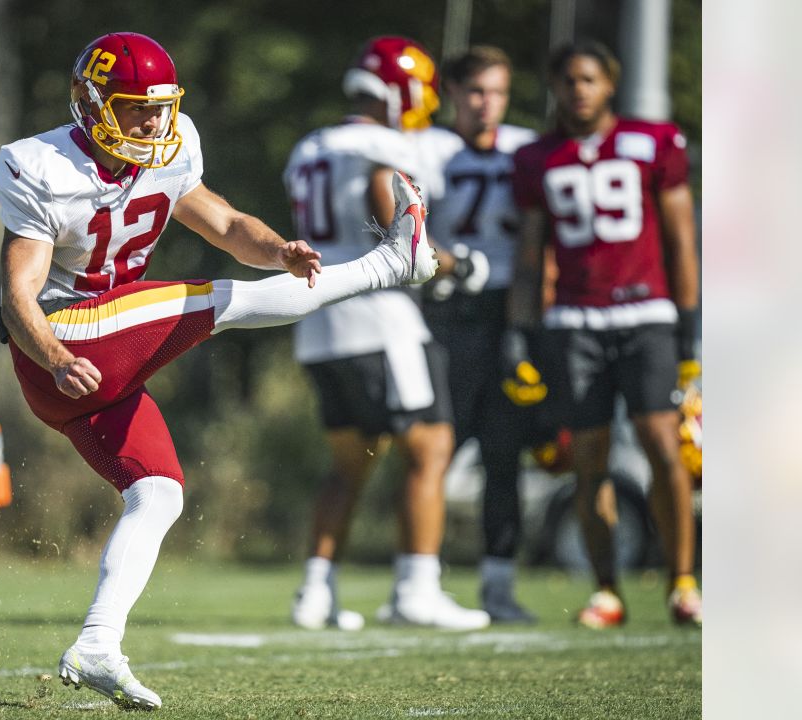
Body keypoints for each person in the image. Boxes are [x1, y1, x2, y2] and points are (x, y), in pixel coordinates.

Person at [0, 32, 437, 710]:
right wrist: (55, 356)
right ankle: (387, 265)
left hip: (107, 353)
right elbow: (16, 297)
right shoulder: (42, 165)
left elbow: (227, 224)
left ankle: (97, 642)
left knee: (160, 494)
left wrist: (279, 249)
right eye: (133, 107)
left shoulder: (171, 150)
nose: (149, 122)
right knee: (214, 301)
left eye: (159, 106)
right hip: (64, 342)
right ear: (91, 104)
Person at [283, 36, 490, 633]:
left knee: (350, 463)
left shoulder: (309, 146)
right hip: (379, 320)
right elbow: (396, 235)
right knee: (430, 448)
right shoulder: (382, 146)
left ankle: (315, 592)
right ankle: (416, 588)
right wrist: (458, 264)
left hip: (319, 319)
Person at [509, 40, 702, 627]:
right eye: (567, 80)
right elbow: (532, 252)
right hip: (575, 320)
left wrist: (690, 334)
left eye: (588, 79)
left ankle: (682, 582)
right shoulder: (539, 156)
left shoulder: (653, 142)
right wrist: (523, 336)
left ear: (610, 83)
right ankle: (607, 590)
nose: (578, 90)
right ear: (554, 88)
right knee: (587, 457)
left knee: (661, 444)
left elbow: (680, 239)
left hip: (647, 315)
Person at [414, 46, 543, 623]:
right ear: (452, 95)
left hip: (510, 316)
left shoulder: (525, 148)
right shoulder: (429, 149)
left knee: (504, 455)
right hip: (448, 314)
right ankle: (420, 578)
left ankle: (498, 583)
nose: (486, 103)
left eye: (496, 91)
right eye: (475, 91)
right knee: (434, 448)